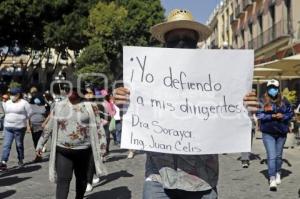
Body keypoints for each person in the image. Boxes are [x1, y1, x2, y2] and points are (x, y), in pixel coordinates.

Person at [114, 9, 258, 199]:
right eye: (174, 38)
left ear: (197, 42)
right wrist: (124, 101)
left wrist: (245, 109)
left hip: (203, 182)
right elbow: (135, 121)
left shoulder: (217, 77)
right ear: (165, 42)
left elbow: (233, 126)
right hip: (158, 179)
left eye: (187, 38)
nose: (181, 42)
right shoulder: (147, 76)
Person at [36, 87, 107, 199]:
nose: (71, 92)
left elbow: (99, 128)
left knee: (81, 179)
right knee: (63, 181)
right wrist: (41, 143)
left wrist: (103, 148)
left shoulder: (90, 107)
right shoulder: (58, 106)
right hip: (63, 150)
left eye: (74, 90)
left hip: (83, 151)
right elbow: (49, 125)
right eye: (68, 89)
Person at [256, 79, 293, 191]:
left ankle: (278, 172)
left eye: (275, 88)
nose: (273, 90)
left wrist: (283, 116)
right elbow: (259, 115)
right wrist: (271, 116)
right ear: (267, 89)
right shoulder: (262, 101)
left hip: (281, 132)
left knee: (278, 156)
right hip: (268, 132)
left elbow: (290, 113)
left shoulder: (284, 101)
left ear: (278, 89)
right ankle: (272, 178)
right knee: (271, 156)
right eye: (271, 88)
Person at [0, 86, 32, 170]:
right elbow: (5, 112)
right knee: (6, 145)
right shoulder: (8, 103)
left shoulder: (24, 103)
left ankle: (20, 159)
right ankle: (3, 162)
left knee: (19, 145)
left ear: (18, 95)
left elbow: (29, 113)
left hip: (20, 128)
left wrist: (25, 122)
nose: (12, 96)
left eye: (14, 94)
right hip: (8, 127)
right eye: (11, 94)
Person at [29, 96, 48, 162]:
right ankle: (38, 155)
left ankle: (38, 155)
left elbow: (47, 115)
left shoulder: (43, 106)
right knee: (35, 141)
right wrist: (28, 125)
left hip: (41, 125)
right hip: (33, 126)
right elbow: (28, 116)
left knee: (40, 140)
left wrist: (45, 123)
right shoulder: (31, 106)